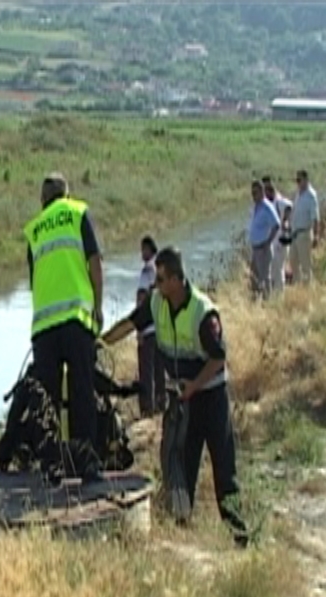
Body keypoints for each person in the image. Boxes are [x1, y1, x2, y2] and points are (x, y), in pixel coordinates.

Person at [101, 246, 249, 547]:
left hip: (211, 398)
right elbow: (130, 324)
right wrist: (99, 343)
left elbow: (218, 359)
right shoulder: (157, 303)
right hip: (185, 401)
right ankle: (182, 534)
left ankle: (240, 537)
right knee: (181, 466)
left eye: (162, 278)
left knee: (223, 468)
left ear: (177, 280)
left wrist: (192, 387)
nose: (156, 284)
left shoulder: (202, 312)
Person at [23, 172, 104, 457]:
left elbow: (34, 282)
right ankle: (85, 462)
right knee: (82, 392)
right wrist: (98, 306)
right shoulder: (77, 213)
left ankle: (50, 466)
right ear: (67, 195)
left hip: (44, 326)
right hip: (76, 320)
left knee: (47, 400)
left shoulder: (34, 229)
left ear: (42, 201)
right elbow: (94, 262)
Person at [136, 235, 166, 417]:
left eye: (142, 250)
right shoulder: (162, 269)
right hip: (161, 328)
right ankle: (162, 405)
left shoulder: (147, 271)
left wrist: (138, 328)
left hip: (147, 328)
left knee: (146, 371)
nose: (141, 254)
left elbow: (141, 299)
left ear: (149, 249)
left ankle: (147, 409)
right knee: (160, 369)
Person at [248, 180, 280, 301]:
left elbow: (276, 224)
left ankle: (268, 303)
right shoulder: (256, 207)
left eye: (255, 193)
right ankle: (256, 301)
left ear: (262, 192)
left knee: (264, 278)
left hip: (263, 248)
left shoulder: (267, 207)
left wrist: (268, 242)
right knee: (254, 277)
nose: (253, 196)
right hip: (255, 249)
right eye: (252, 193)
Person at [263, 177, 293, 294]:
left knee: (278, 269)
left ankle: (280, 295)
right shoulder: (267, 203)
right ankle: (275, 293)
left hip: (280, 241)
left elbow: (289, 205)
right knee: (274, 269)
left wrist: (285, 221)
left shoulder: (278, 200)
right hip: (273, 241)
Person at [291, 169, 320, 284]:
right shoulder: (298, 194)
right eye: (296, 180)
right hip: (295, 233)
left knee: (306, 265)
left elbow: (316, 217)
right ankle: (297, 286)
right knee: (293, 261)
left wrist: (316, 235)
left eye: (299, 180)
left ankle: (308, 289)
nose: (297, 183)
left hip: (304, 233)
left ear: (306, 180)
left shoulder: (311, 195)